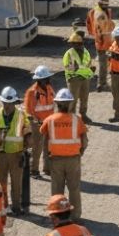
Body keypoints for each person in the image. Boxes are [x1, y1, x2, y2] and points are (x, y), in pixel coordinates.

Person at [38, 88, 89, 221]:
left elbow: (44, 141)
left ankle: (57, 215)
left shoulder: (49, 120)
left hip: (56, 160)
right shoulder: (76, 120)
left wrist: (46, 162)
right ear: (70, 104)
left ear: (57, 104)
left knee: (57, 190)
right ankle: (75, 216)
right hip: (73, 159)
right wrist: (80, 153)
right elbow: (84, 140)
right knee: (74, 189)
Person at [0, 86, 31, 214]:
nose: (7, 106)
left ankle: (16, 207)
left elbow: (28, 134)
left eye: (10, 103)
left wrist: (26, 148)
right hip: (0, 155)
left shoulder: (22, 115)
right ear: (2, 102)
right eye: (5, 103)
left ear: (14, 103)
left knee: (17, 183)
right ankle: (3, 206)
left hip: (16, 155)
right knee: (1, 183)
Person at [24, 65, 56, 179]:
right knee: (37, 147)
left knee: (48, 146)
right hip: (37, 123)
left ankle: (47, 169)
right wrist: (36, 121)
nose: (48, 80)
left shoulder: (49, 89)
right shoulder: (32, 92)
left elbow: (52, 105)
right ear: (39, 80)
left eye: (47, 78)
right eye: (46, 78)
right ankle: (34, 170)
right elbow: (28, 111)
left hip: (48, 122)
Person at [62, 32, 95, 122]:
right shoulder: (69, 54)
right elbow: (67, 66)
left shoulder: (86, 52)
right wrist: (74, 67)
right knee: (73, 99)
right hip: (74, 79)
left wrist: (91, 71)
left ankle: (83, 115)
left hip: (85, 79)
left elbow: (87, 64)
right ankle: (71, 117)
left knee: (84, 98)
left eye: (76, 43)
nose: (74, 45)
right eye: (73, 43)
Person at [87, 0, 115, 92]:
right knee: (103, 64)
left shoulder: (100, 11)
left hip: (105, 41)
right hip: (102, 42)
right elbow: (100, 29)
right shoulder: (99, 14)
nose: (106, 6)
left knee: (105, 63)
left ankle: (101, 82)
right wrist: (101, 42)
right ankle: (102, 84)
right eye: (105, 5)